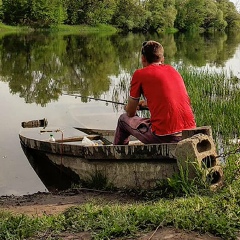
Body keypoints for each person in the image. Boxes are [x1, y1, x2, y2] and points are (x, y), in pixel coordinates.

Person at [113, 40, 196, 145]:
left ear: (143, 58)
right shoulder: (172, 70)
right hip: (189, 133)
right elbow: (171, 101)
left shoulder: (140, 74)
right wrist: (145, 104)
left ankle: (117, 153)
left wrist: (127, 107)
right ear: (162, 59)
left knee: (123, 119)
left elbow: (130, 113)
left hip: (165, 137)